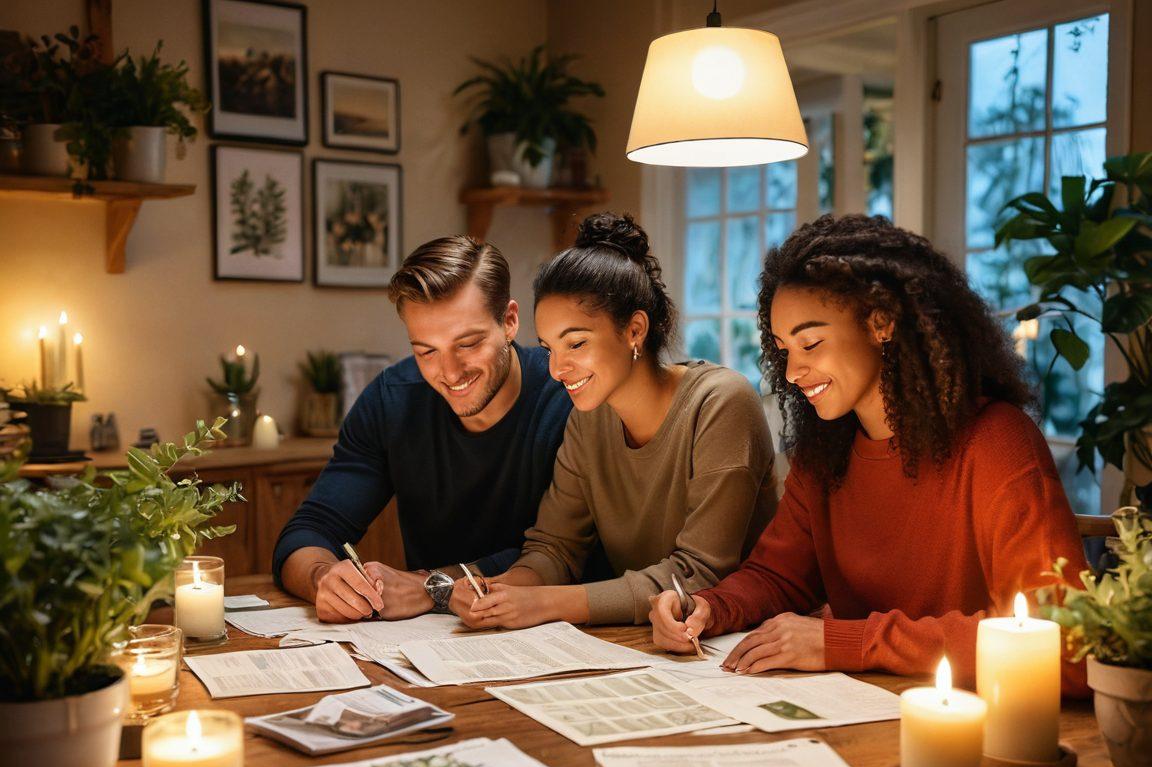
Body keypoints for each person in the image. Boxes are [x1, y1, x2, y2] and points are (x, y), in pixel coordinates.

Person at [649, 213, 1089, 694]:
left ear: (882, 322)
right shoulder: (826, 451)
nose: (793, 371)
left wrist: (847, 641)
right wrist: (709, 607)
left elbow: (1067, 643)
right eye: (782, 349)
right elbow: (778, 576)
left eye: (811, 343)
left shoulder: (997, 443)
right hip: (858, 712)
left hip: (983, 721)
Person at [462, 212, 778, 629]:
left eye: (576, 343)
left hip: (741, 642)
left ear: (634, 330)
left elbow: (700, 572)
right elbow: (556, 546)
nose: (557, 369)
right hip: (653, 641)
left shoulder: (721, 403)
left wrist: (544, 604)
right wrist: (505, 589)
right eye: (548, 348)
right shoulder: (588, 419)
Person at [274, 236, 576, 624]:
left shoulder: (567, 399)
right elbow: (308, 532)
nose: (450, 373)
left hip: (557, 635)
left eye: (467, 344)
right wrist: (324, 578)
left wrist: (431, 586)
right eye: (426, 352)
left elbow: (568, 554)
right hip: (432, 647)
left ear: (510, 321)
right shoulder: (392, 401)